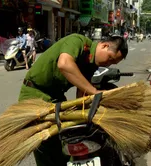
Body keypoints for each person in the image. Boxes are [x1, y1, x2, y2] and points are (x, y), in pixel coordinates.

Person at [18, 33, 128, 166]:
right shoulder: (77, 41)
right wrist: (95, 92)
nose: (108, 64)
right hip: (34, 94)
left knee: (65, 141)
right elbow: (64, 64)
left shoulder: (91, 64)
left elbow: (82, 91)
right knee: (45, 146)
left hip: (56, 97)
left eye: (112, 63)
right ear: (104, 45)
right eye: (110, 58)